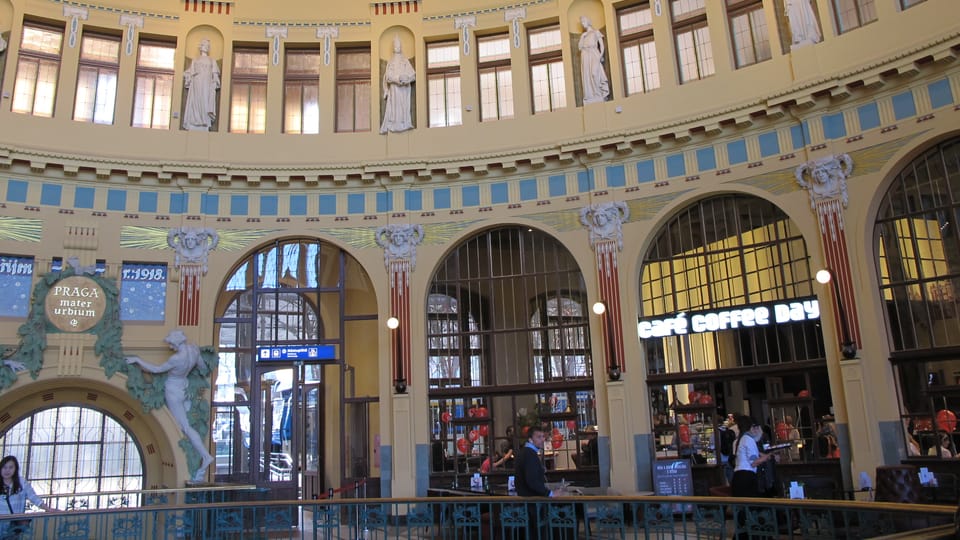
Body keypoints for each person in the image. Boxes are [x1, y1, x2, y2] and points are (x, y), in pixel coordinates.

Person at [127, 329, 215, 482]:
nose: (170, 346)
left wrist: (137, 360)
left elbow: (156, 370)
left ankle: (205, 456)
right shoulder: (194, 350)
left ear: (176, 343)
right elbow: (202, 368)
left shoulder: (176, 359)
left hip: (173, 391)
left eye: (171, 344)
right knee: (187, 424)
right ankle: (204, 455)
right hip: (185, 388)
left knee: (184, 427)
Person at [515, 425, 565, 537]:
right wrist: (550, 493)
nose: (542, 439)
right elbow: (532, 481)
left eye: (543, 436)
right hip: (532, 503)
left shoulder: (526, 452)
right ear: (530, 439)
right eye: (538, 437)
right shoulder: (529, 454)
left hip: (528, 502)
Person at [731, 415, 775, 540]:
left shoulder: (742, 439)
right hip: (746, 478)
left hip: (739, 478)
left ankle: (744, 535)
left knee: (745, 510)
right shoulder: (748, 440)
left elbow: (753, 454)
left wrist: (765, 454)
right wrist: (767, 457)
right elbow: (754, 462)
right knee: (754, 508)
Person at [0, 455, 55, 539]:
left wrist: (47, 509)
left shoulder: (21, 482)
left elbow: (33, 497)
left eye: (11, 467)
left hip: (14, 523)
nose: (7, 470)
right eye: (4, 467)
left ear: (15, 469)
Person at [182, 39, 221, 131]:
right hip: (197, 82)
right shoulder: (195, 60)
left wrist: (215, 81)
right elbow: (188, 73)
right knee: (196, 100)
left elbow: (215, 74)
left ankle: (204, 120)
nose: (206, 46)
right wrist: (188, 76)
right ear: (201, 46)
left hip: (207, 84)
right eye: (204, 44)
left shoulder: (212, 61)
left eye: (208, 45)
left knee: (205, 100)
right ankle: (195, 120)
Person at [380, 35, 415, 134]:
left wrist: (406, 79)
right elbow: (387, 77)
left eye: (398, 44)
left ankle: (404, 123)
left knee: (403, 107)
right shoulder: (390, 62)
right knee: (395, 108)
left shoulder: (405, 61)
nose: (397, 46)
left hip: (404, 89)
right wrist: (396, 80)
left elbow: (413, 75)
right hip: (394, 88)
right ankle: (395, 124)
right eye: (395, 44)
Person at [578, 16, 610, 104]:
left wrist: (599, 57)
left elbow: (602, 46)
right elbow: (580, 47)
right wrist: (582, 37)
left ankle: (598, 94)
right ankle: (590, 96)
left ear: (588, 21)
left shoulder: (596, 32)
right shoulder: (584, 35)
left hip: (594, 54)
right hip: (585, 56)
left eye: (583, 21)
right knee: (587, 77)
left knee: (594, 73)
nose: (582, 23)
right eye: (581, 22)